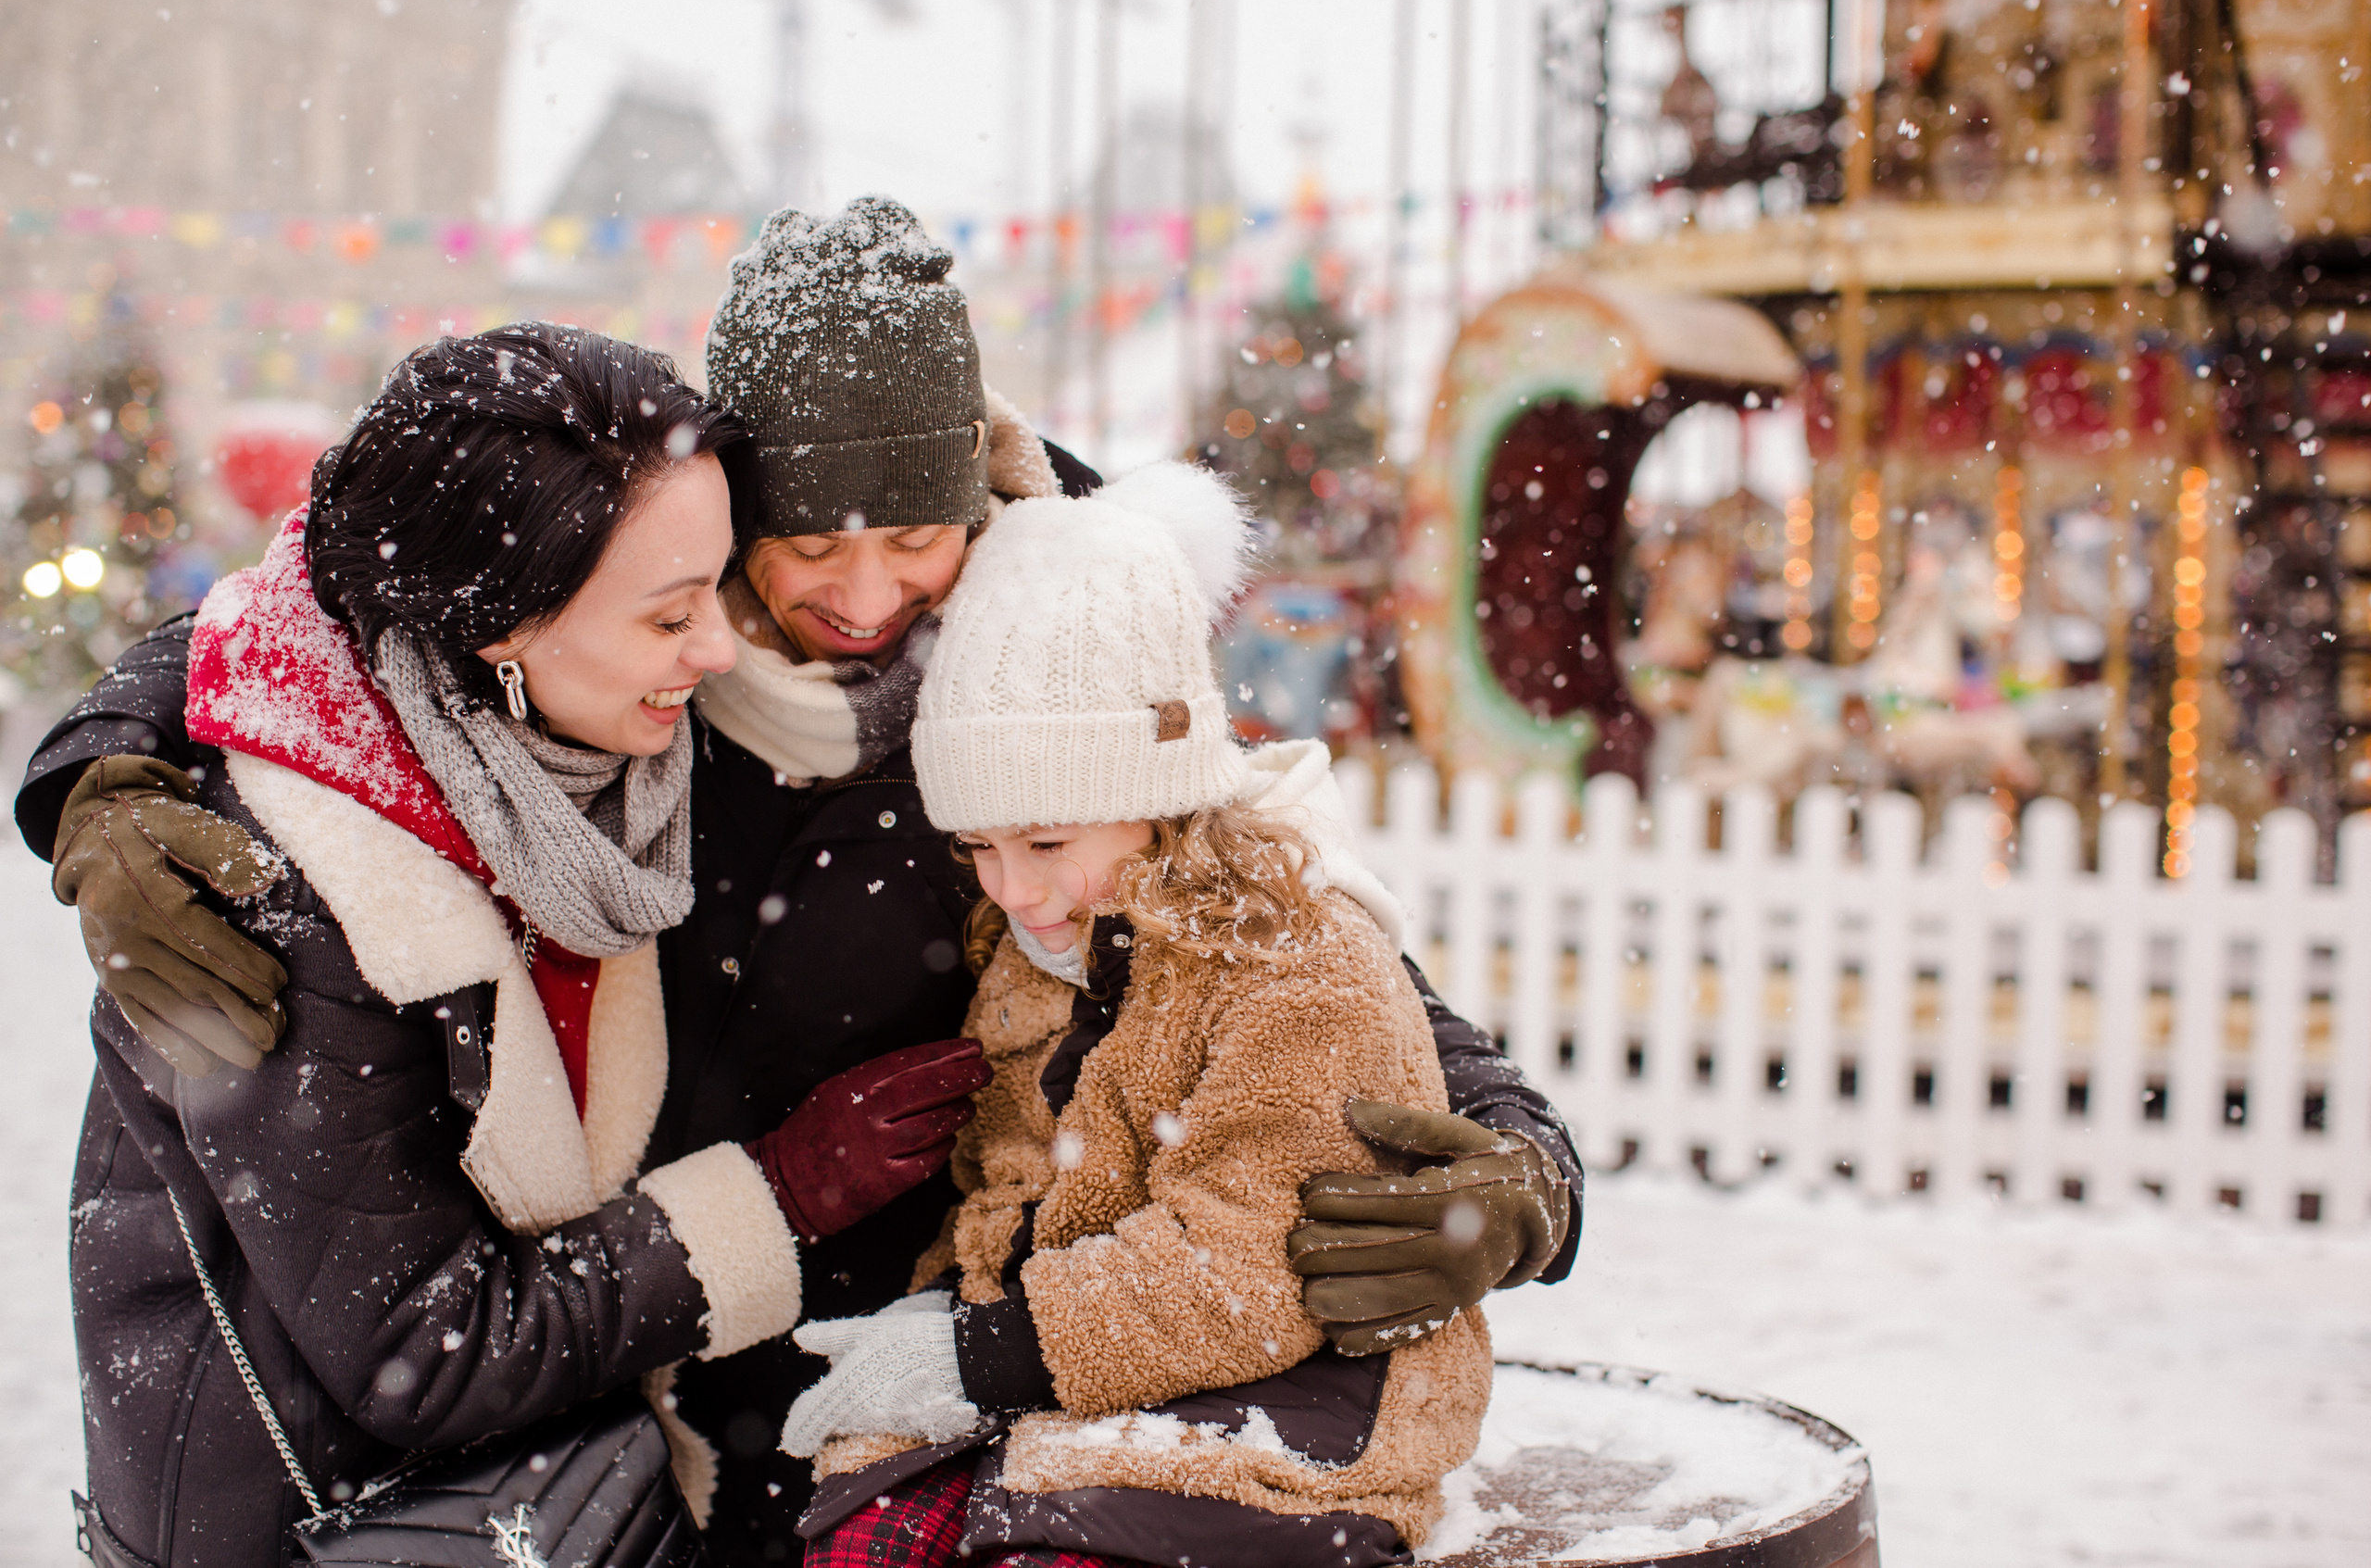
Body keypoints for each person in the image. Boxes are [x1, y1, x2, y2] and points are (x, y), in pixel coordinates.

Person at [21, 199, 1582, 1563]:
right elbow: (356, 590)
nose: (864, 595)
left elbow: (1235, 895)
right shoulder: (643, 625)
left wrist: (1517, 1156)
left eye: (916, 536)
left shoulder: (1041, 622)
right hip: (629, 1347)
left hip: (917, 1349)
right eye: (805, 544)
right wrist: (101, 761)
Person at [47, 324, 998, 1568]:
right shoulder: (288, 894)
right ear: (500, 629)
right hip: (343, 1522)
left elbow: (335, 576)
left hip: (567, 1476)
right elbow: (422, 1349)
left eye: (718, 585)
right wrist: (779, 1190)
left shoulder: (568, 710)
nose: (721, 648)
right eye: (672, 615)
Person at [781, 463, 1499, 1568]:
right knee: (864, 1536)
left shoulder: (1296, 961)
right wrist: (946, 1312)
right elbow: (1009, 1177)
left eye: (1048, 842)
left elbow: (1256, 1258)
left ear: (1159, 802)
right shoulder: (1036, 951)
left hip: (1296, 1393)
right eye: (981, 846)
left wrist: (988, 1354)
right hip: (1082, 1374)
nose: (1012, 887)